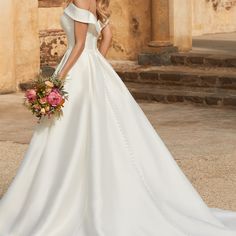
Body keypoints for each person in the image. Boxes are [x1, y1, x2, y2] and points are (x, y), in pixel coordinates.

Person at [0, 0, 235, 235]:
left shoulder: (82, 0)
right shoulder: (94, 2)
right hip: (89, 66)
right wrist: (98, 62)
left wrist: (57, 78)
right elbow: (107, 35)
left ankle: (65, 195)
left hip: (77, 67)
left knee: (73, 128)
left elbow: (79, 44)